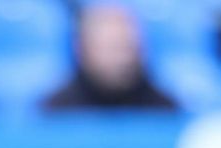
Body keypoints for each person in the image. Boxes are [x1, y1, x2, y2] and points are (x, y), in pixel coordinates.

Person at [42, 2, 179, 113]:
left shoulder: (165, 111)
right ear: (82, 49)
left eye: (126, 47)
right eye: (110, 47)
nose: (120, 59)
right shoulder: (56, 113)